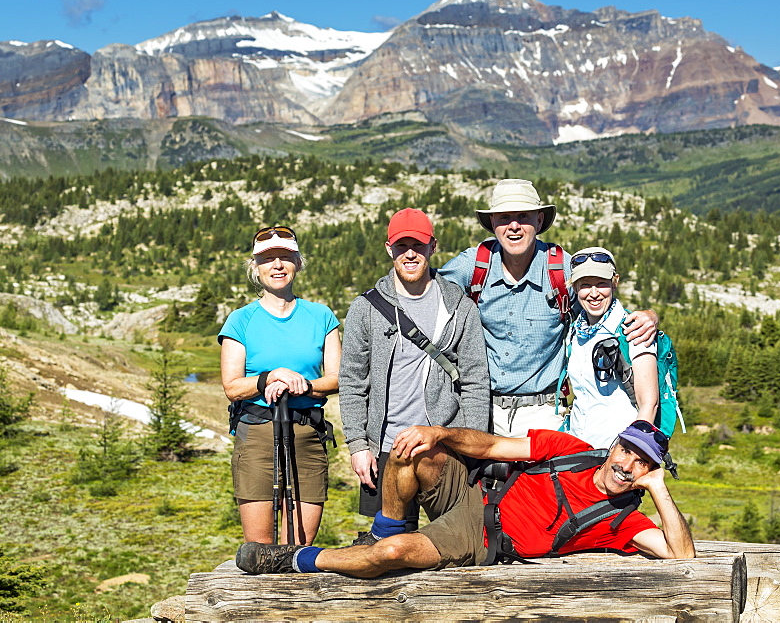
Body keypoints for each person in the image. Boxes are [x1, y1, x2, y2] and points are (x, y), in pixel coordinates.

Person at [234, 420, 694, 576]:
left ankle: (294, 559)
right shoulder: (571, 450)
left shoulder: (622, 521)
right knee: (411, 448)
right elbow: (493, 447)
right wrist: (440, 434)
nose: (627, 465)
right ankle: (379, 531)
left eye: (642, 464)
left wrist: (657, 490)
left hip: (480, 538)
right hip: (478, 493)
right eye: (625, 451)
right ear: (613, 445)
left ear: (648, 472)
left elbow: (680, 555)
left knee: (392, 555)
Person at [438, 178, 658, 437]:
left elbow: (600, 306)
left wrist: (650, 316)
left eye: (523, 216)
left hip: (545, 415)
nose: (514, 226)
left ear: (539, 222)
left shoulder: (561, 268)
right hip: (482, 411)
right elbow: (425, 293)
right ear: (493, 225)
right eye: (504, 217)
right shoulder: (473, 265)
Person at [340, 208, 490, 532]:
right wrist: (358, 446)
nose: (410, 254)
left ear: (433, 247)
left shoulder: (460, 306)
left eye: (418, 245)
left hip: (445, 448)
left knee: (458, 544)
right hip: (386, 450)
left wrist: (472, 445)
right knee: (390, 550)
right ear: (388, 248)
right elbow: (352, 382)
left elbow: (476, 379)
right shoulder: (364, 308)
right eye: (401, 245)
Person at [218, 225, 341, 545]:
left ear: (298, 263)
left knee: (298, 549)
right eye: (268, 259)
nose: (277, 265)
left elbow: (337, 378)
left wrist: (297, 384)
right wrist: (268, 378)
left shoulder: (322, 316)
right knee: (259, 548)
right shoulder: (240, 320)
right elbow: (232, 387)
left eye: (285, 257)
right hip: (256, 433)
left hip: (307, 434)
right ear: (255, 268)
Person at [565, 246, 658, 449]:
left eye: (601, 284)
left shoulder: (634, 329)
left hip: (616, 451)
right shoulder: (575, 331)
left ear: (614, 282)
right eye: (586, 285)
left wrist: (629, 453)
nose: (594, 293)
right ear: (575, 288)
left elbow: (648, 405)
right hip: (577, 449)